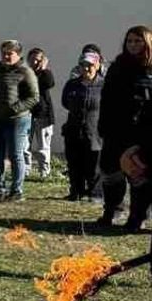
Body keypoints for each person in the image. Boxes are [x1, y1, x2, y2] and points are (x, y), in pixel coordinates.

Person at [97, 26, 152, 228]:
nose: (133, 45)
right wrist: (102, 126)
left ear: (147, 43)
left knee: (138, 176)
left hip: (141, 133)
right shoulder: (117, 67)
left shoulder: (151, 69)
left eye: (138, 41)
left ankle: (138, 217)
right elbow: (106, 99)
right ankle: (113, 210)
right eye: (129, 41)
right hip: (115, 130)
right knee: (110, 172)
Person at [0, 39, 40, 202]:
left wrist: (15, 108)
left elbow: (33, 97)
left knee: (15, 155)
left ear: (18, 54)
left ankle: (16, 191)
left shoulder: (25, 72)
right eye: (3, 53)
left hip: (16, 121)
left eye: (9, 53)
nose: (5, 56)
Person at [61, 51, 104, 202]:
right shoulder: (72, 84)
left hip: (94, 132)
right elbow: (65, 102)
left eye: (90, 65)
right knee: (74, 163)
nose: (86, 69)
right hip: (73, 129)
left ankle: (95, 194)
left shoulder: (104, 85)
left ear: (98, 65)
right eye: (83, 65)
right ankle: (76, 191)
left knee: (94, 165)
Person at [24, 48, 56, 179]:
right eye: (32, 59)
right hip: (26, 115)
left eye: (38, 59)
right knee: (25, 146)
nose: (35, 61)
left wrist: (43, 69)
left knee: (43, 147)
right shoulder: (25, 74)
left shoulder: (46, 74)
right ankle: (25, 170)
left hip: (43, 116)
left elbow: (48, 83)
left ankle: (44, 172)